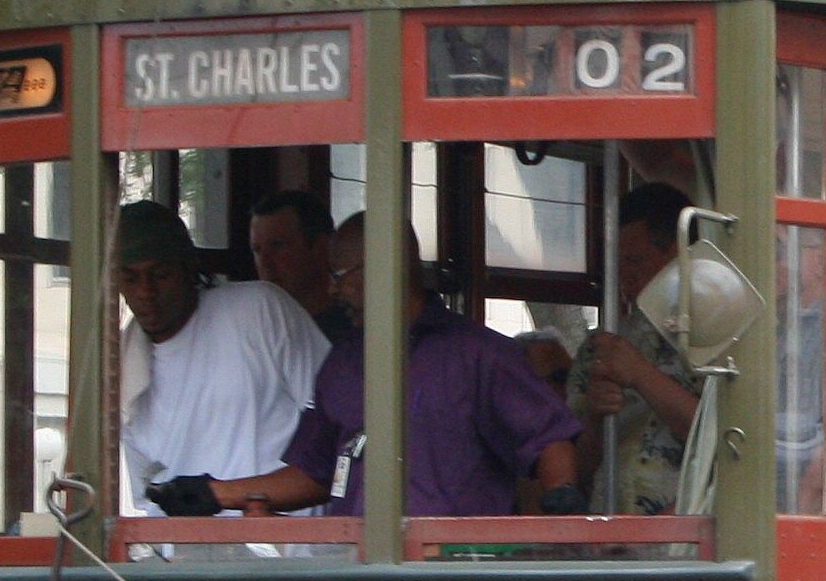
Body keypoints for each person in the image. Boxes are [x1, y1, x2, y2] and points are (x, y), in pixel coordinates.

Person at [218, 219, 584, 521]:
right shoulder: (342, 362)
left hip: (454, 574)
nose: (332, 290)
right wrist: (219, 493)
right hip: (354, 571)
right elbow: (316, 472)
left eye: (339, 275)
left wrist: (562, 497)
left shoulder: (479, 354)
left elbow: (548, 439)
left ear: (383, 266)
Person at [112, 199, 328, 520]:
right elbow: (148, 494)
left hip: (288, 553)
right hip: (188, 560)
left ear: (188, 269)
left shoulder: (259, 310)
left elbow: (336, 434)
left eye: (160, 275)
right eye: (130, 279)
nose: (145, 292)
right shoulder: (122, 368)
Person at [581, 182, 702, 516]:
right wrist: (594, 414)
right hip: (609, 528)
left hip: (685, 533)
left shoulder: (718, 334)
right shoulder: (600, 349)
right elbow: (577, 469)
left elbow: (721, 440)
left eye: (636, 260)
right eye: (617, 264)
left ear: (679, 256)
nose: (625, 276)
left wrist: (640, 375)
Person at [247, 187, 353, 344]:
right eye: (257, 250)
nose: (265, 263)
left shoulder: (356, 325)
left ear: (321, 248)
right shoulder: (253, 329)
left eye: (278, 246)